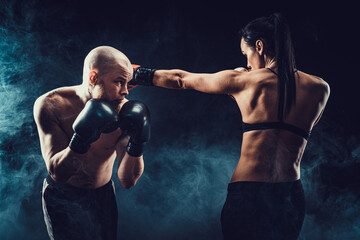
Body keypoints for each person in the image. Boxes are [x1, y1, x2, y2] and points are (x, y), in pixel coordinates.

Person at [129, 13, 330, 240]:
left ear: (260, 46)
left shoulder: (242, 81)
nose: (247, 63)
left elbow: (181, 79)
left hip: (249, 193)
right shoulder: (320, 88)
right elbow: (296, 125)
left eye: (247, 54)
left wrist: (136, 74)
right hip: (290, 195)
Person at [33, 46, 151, 240]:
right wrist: (80, 139)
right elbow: (58, 172)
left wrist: (137, 143)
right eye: (119, 82)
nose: (125, 92)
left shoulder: (124, 113)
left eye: (127, 84)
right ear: (93, 78)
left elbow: (128, 181)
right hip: (62, 195)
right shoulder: (51, 105)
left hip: (102, 196)